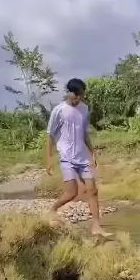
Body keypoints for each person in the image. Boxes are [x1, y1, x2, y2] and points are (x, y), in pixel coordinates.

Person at [46, 78, 111, 238]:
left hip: (82, 157)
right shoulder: (59, 110)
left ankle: (96, 226)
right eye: (76, 95)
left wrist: (92, 153)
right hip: (66, 158)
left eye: (81, 95)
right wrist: (49, 159)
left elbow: (84, 133)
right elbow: (50, 135)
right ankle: (53, 209)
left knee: (92, 190)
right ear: (69, 92)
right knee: (72, 193)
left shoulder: (84, 109)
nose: (78, 98)